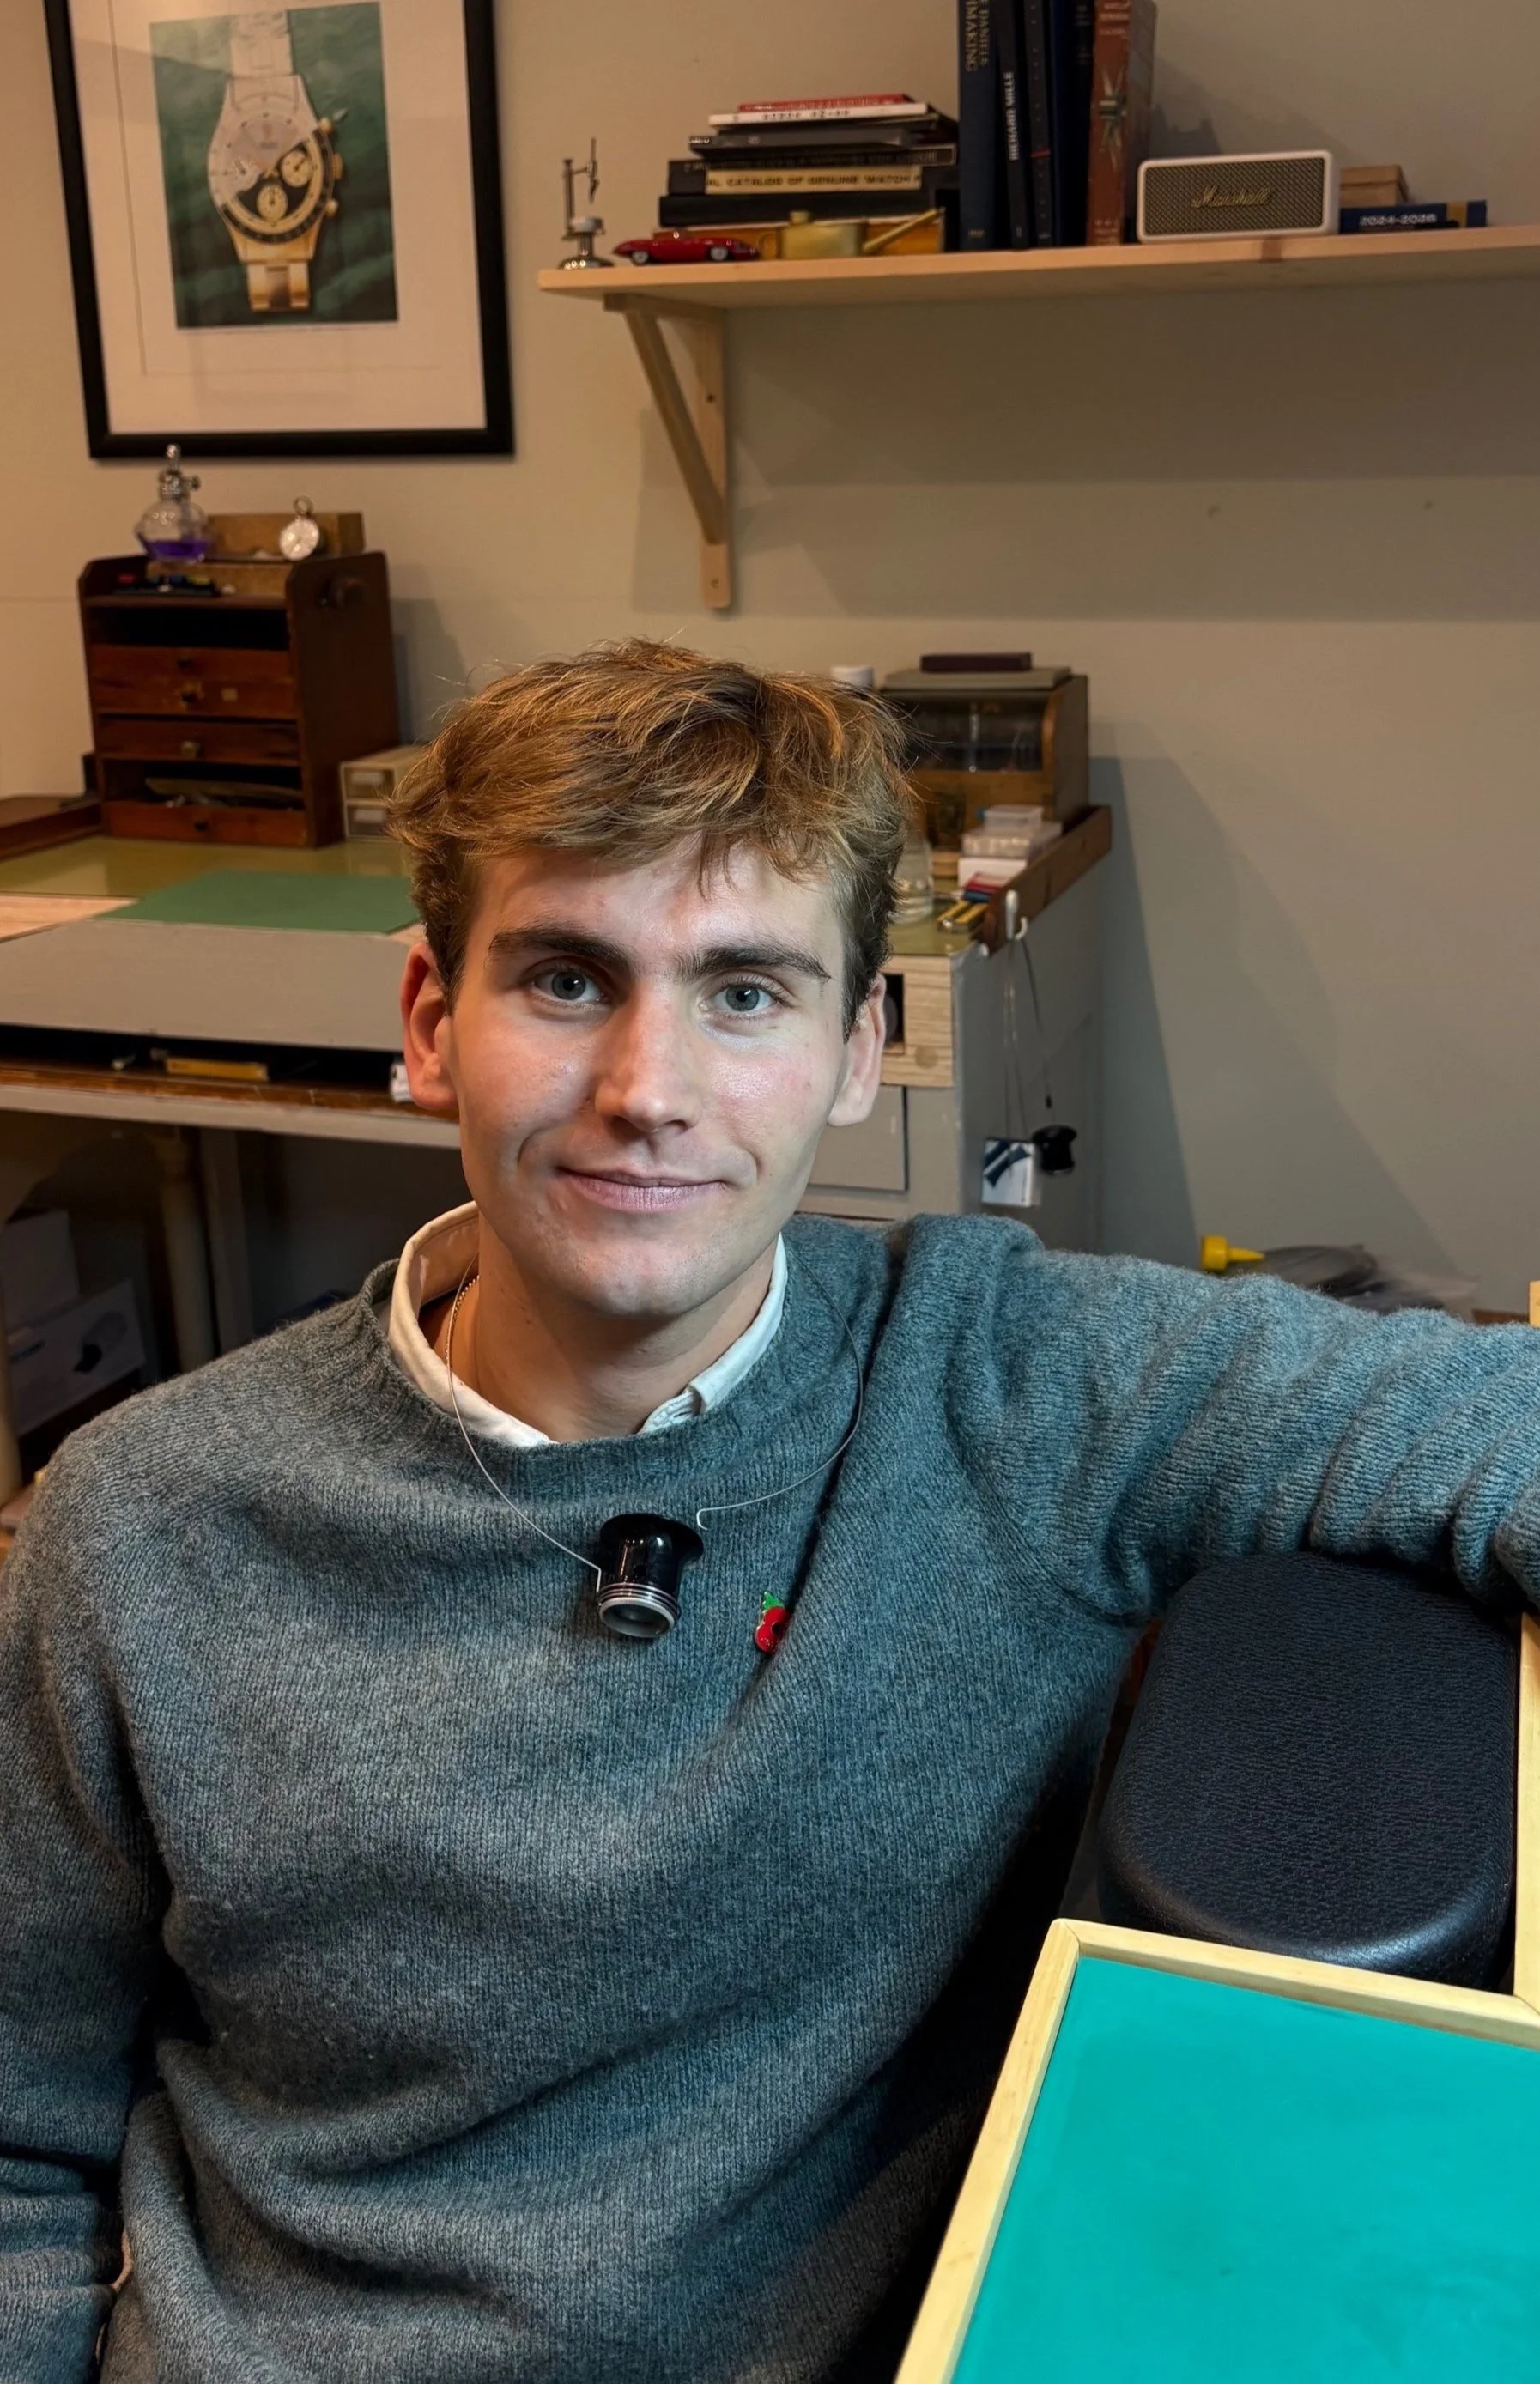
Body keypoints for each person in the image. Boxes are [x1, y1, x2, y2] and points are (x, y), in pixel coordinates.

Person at [2, 639, 1537, 2384]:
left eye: (745, 990)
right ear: (432, 1023)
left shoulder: (1016, 1386)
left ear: (862, 1045)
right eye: (568, 979)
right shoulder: (141, 1524)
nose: (649, 1087)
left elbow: (1493, 1425)